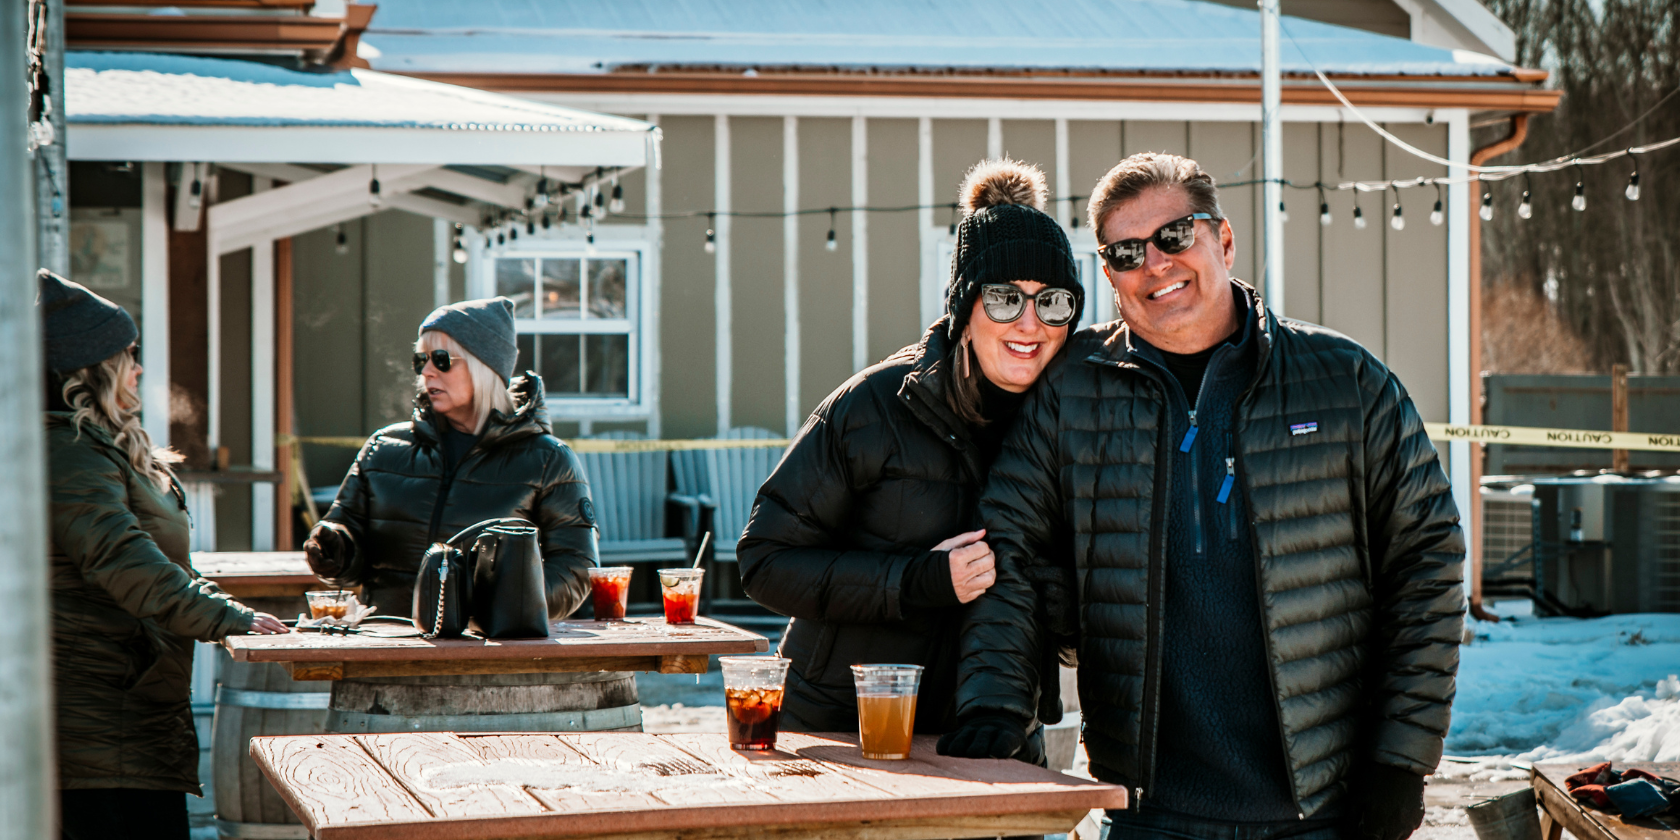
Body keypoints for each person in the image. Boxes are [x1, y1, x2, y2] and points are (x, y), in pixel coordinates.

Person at [938, 153, 1465, 840]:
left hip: (1328, 808)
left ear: (1222, 239)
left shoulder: (1345, 383)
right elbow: (1006, 547)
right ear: (1108, 275)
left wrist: (1400, 760)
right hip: (1150, 811)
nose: (1154, 263)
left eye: (1174, 236)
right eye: (1127, 252)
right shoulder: (1073, 393)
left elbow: (1427, 562)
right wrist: (995, 708)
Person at [737, 159, 1083, 745]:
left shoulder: (1071, 426)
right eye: (1003, 299)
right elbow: (765, 562)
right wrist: (916, 581)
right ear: (964, 310)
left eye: (1052, 302)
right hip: (844, 730)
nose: (1030, 323)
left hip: (992, 736)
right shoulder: (874, 407)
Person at [40, 271, 287, 840]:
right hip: (95, 722)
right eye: (131, 353)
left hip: (131, 710)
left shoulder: (100, 443)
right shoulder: (69, 450)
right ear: (92, 366)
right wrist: (230, 617)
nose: (140, 367)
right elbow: (125, 561)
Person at [303, 296, 595, 622]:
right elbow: (349, 551)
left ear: (483, 366)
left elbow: (575, 570)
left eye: (441, 359)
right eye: (420, 360)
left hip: (496, 657)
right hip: (389, 650)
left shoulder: (547, 459)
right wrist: (334, 552)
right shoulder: (384, 448)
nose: (427, 371)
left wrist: (502, 609)